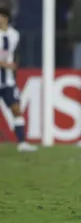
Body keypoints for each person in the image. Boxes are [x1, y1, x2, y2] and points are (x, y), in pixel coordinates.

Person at [0, 8, 37, 152]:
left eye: (2, 16)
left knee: (16, 110)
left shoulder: (14, 35)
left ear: (6, 18)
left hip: (7, 81)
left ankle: (22, 143)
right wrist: (5, 64)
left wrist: (15, 64)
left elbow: (14, 53)